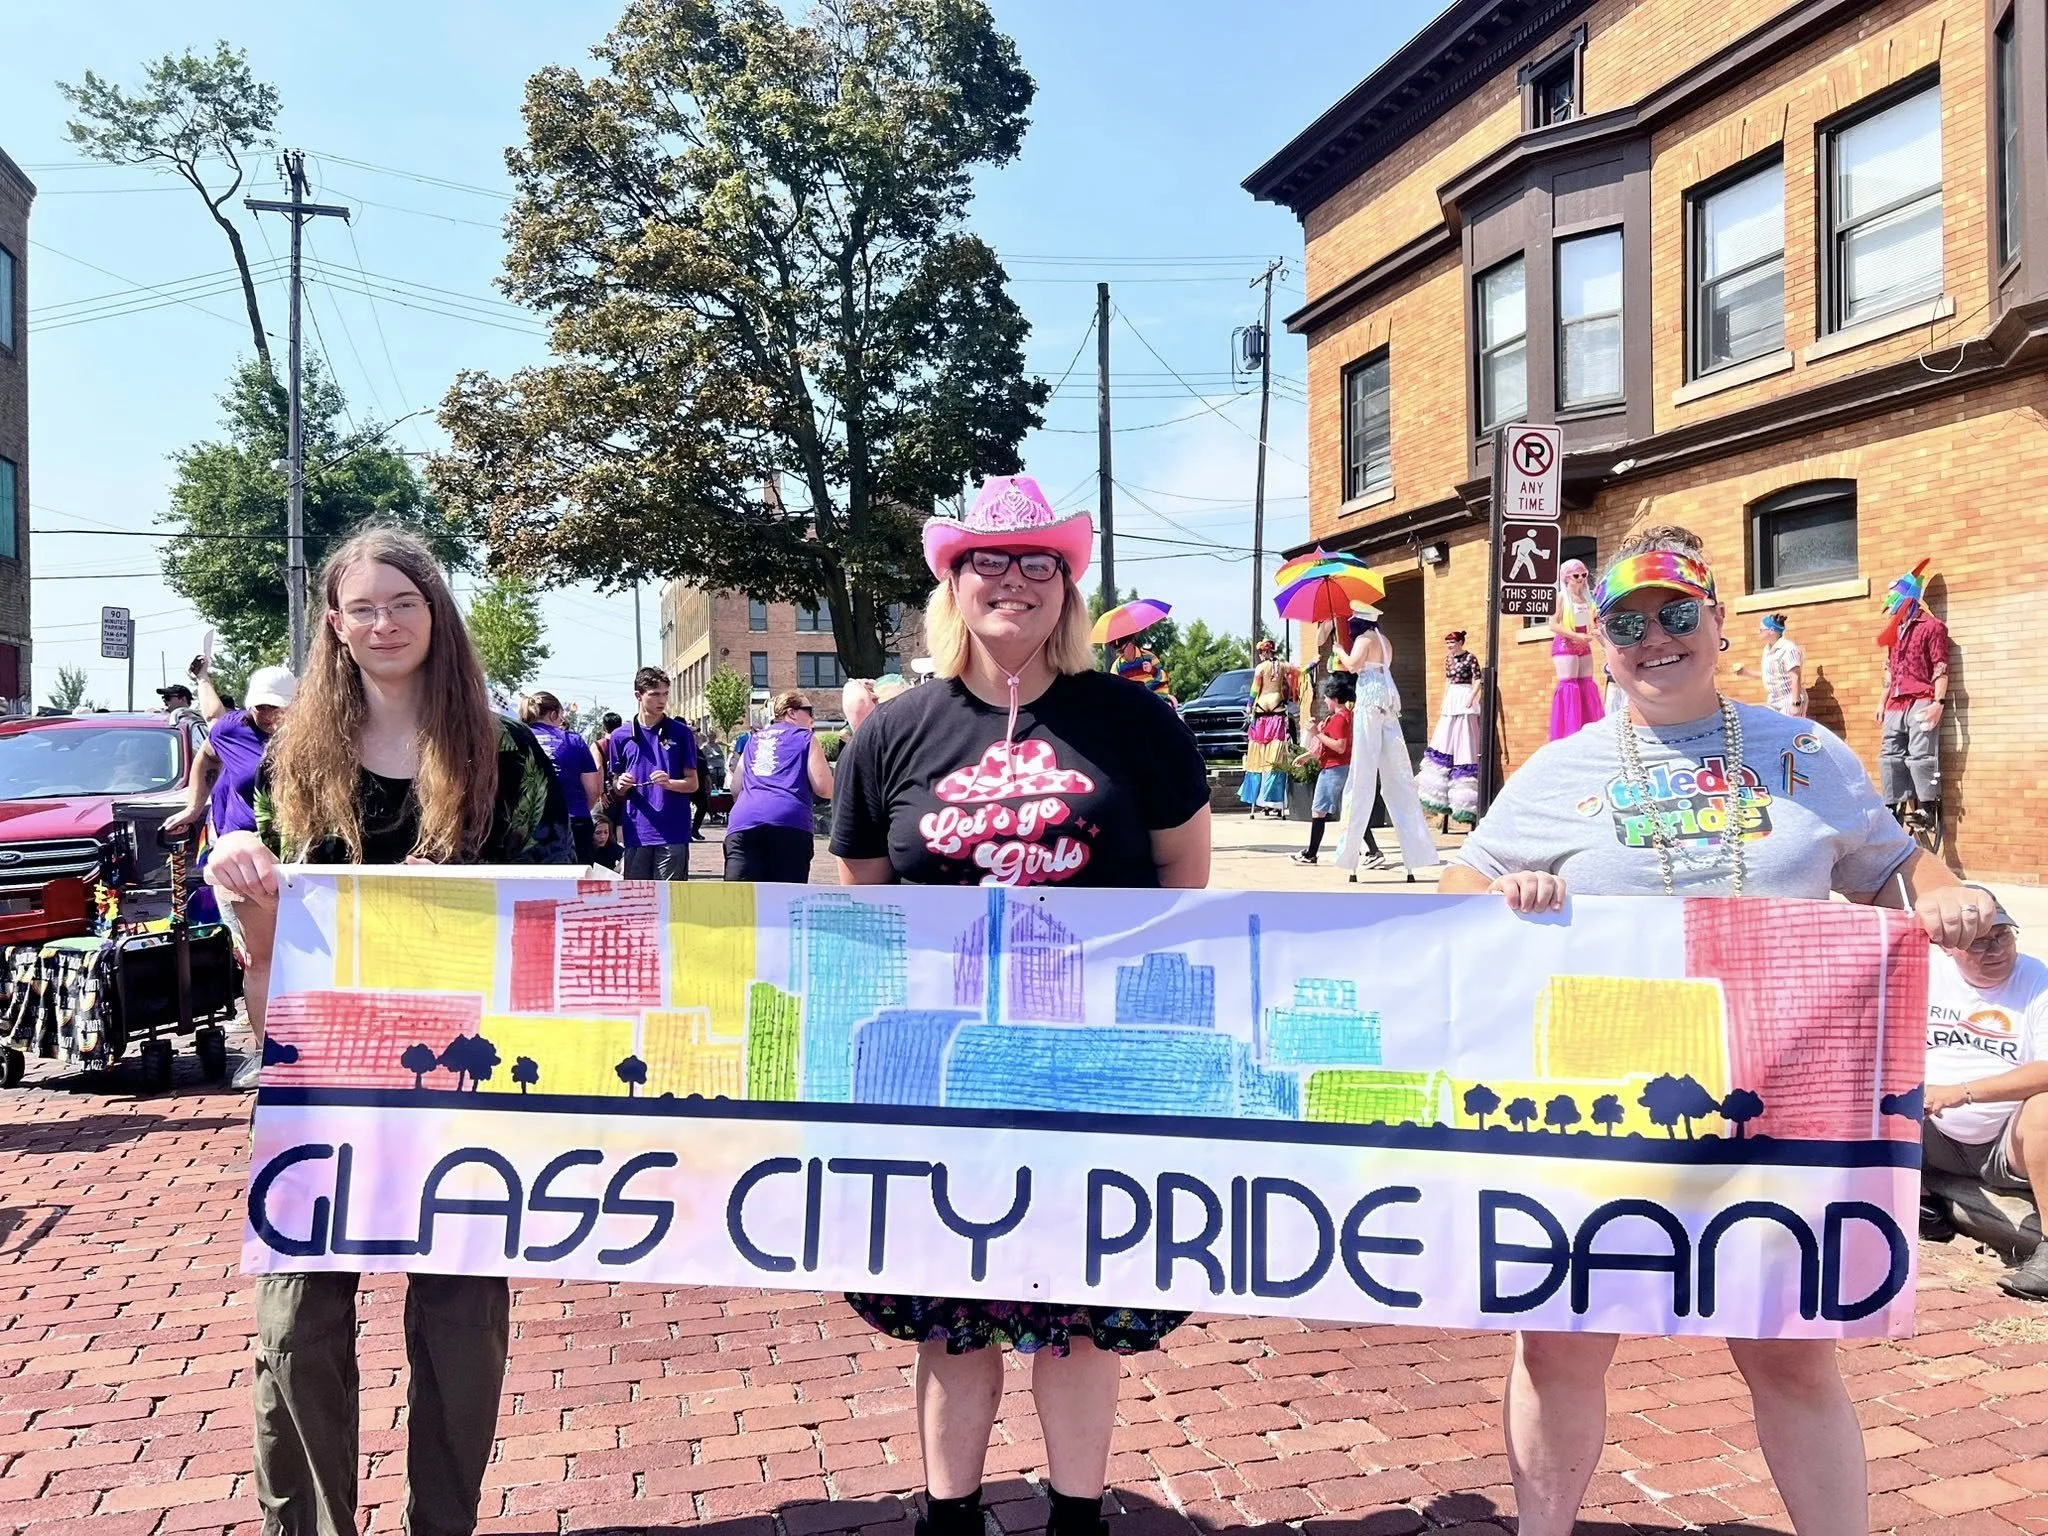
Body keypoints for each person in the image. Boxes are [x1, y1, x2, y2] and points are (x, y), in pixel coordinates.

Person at [1439, 524, 1995, 1536]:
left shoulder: (1801, 752)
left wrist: (1947, 891)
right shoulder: (1560, 769)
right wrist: (1499, 896)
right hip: (1600, 1101)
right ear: (1599, 640)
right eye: (1626, 622)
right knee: (1559, 1338)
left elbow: (1887, 867)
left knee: (1786, 1344)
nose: (1654, 637)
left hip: (1775, 1098)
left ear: (1715, 619)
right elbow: (1457, 886)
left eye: (1676, 612)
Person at [831, 474, 1210, 1536]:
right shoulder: (892, 734)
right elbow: (865, 894)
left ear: (1066, 587)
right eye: (987, 562)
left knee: (1084, 1311)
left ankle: (1076, 1516)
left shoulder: (1134, 722)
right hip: (945, 1071)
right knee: (952, 1317)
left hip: (1095, 1065)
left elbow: (1185, 882)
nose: (1011, 580)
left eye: (1036, 561)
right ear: (951, 585)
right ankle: (947, 1516)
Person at [203, 527, 574, 1536]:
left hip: (470, 1082)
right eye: (360, 608)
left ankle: (439, 1524)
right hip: (317, 1074)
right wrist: (241, 880)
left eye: (401, 604)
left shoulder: (507, 759)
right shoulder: (290, 760)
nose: (382, 623)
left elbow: (560, 920)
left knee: (460, 1326)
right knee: (295, 1323)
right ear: (334, 625)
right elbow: (263, 950)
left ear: (435, 613)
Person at [166, 664, 298, 1084]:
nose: (271, 716)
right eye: (262, 708)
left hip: (295, 860)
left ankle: (305, 1046)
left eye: (279, 708)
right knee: (260, 958)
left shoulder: (312, 737)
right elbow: (207, 750)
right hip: (240, 861)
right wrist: (193, 807)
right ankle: (266, 1055)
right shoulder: (232, 729)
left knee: (299, 957)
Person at [1921, 908, 2048, 1300]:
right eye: (1979, 941)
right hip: (1929, 1136)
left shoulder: (2037, 980)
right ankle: (1920, 1203)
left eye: (2003, 936)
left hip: (2005, 1144)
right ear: (1948, 948)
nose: (1995, 949)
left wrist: (1962, 1091)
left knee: (2046, 1106)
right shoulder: (1925, 975)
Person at [1333, 605, 1438, 881]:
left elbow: (1353, 665)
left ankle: (1350, 856)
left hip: (1369, 701)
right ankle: (1414, 857)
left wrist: (1338, 651)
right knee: (1398, 777)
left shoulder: (1364, 639)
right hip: (1388, 703)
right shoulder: (1384, 640)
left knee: (1362, 775)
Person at [724, 690, 833, 883]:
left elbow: (735, 786)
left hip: (744, 822)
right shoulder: (805, 738)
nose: (812, 718)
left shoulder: (753, 739)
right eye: (809, 711)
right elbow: (824, 788)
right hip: (788, 822)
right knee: (784, 901)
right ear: (791, 712)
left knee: (741, 902)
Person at [603, 667, 700, 880]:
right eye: (655, 694)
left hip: (673, 831)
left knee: (669, 901)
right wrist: (621, 784)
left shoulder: (681, 733)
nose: (662, 700)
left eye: (665, 693)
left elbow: (693, 784)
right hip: (637, 832)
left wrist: (669, 783)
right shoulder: (620, 736)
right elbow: (616, 784)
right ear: (638, 695)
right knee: (638, 902)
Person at [1877, 561, 1950, 838]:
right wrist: (1881, 700)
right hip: (1896, 700)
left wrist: (1938, 704)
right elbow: (1889, 668)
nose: (1890, 604)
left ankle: (1928, 808)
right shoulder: (1894, 631)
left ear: (1908, 597)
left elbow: (1941, 666)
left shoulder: (1932, 627)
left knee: (1921, 756)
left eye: (1895, 596)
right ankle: (1892, 808)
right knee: (1889, 755)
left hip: (1922, 697)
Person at [521, 691, 604, 864]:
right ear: (554, 714)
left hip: (528, 825)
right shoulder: (574, 740)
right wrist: (581, 808)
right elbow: (594, 790)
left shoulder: (517, 738)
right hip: (573, 820)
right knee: (577, 884)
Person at [1416, 629, 1482, 830]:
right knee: (1444, 742)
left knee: (1465, 744)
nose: (1450, 647)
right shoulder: (1448, 660)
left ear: (1460, 642)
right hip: (1452, 697)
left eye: (1452, 643)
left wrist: (1472, 697)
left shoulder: (1470, 658)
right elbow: (1447, 681)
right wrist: (1445, 700)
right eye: (1448, 644)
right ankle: (1439, 801)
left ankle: (1466, 804)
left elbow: (1478, 679)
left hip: (1464, 696)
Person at [1290, 673, 1353, 866]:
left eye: (1326, 698)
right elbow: (1329, 747)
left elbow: (1339, 746)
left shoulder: (1339, 719)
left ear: (1334, 699)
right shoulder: (1347, 716)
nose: (1325, 701)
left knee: (1319, 811)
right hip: (1339, 766)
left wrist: (1316, 732)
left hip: (1333, 769)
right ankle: (1372, 850)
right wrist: (1308, 756)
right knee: (1349, 810)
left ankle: (1311, 853)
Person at [1237, 638, 1295, 816]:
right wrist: (1314, 663)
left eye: (1261, 652)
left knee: (1258, 760)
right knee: (1276, 759)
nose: (1261, 655)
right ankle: (1275, 801)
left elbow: (1255, 689)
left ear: (1264, 652)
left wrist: (1248, 705)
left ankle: (1259, 800)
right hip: (1277, 711)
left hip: (1262, 712)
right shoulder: (1283, 665)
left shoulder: (1261, 668)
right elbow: (1300, 672)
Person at [1548, 558, 1604, 739]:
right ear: (1566, 577)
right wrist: (1575, 636)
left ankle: (1588, 727)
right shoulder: (1561, 597)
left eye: (1584, 575)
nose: (1580, 579)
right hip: (1566, 645)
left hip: (1584, 644)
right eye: (1576, 575)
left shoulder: (1588, 598)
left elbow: (1593, 623)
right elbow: (1553, 625)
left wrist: (1595, 634)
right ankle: (1568, 731)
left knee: (1587, 684)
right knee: (1569, 685)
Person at [1758, 613, 1807, 716]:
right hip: (1773, 700)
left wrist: (1796, 702)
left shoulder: (1788, 648)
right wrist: (1744, 672)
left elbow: (1795, 676)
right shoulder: (1767, 650)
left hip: (1789, 698)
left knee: (1791, 731)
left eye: (1761, 630)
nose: (1759, 633)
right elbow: (1768, 675)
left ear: (1771, 630)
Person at [1111, 634, 1174, 704]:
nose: (1121, 655)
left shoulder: (1149, 657)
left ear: (1131, 644)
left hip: (1155, 700)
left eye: (1122, 651)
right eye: (1118, 652)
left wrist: (1153, 671)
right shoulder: (1117, 666)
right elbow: (1113, 690)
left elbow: (1166, 678)